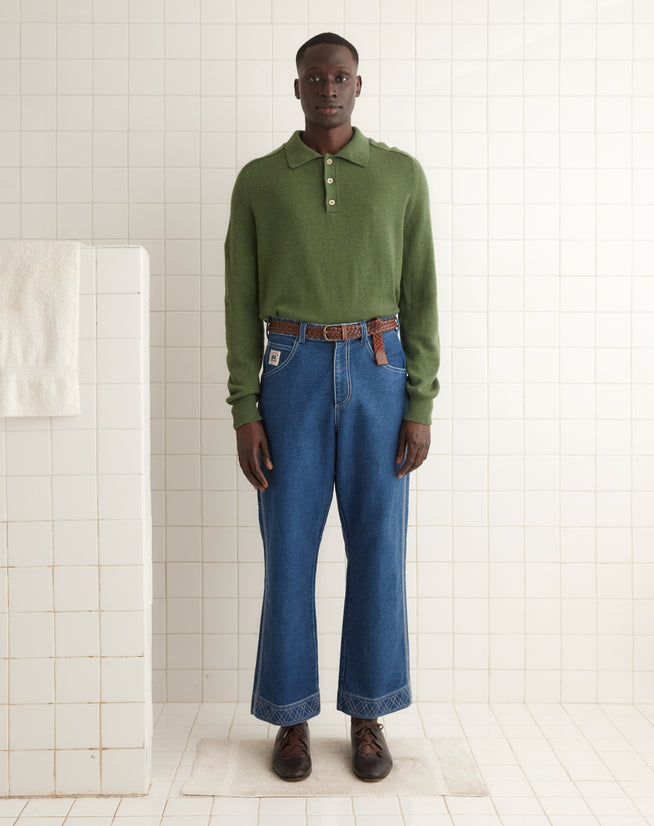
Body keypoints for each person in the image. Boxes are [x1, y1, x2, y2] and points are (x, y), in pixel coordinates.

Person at [224, 32, 440, 783]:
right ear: (296, 88)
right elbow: (238, 303)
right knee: (289, 551)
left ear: (359, 85)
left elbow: (422, 296)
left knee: (378, 550)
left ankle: (369, 713)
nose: (328, 87)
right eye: (315, 76)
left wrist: (420, 400)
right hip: (291, 372)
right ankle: (290, 719)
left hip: (382, 369)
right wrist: (244, 407)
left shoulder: (400, 176)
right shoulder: (258, 182)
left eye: (341, 75)